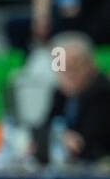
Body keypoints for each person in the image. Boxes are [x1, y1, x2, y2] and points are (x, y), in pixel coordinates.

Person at [38, 32, 110, 165]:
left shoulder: (103, 93)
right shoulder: (61, 92)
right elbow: (42, 129)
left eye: (74, 67)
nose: (68, 75)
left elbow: (89, 146)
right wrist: (59, 137)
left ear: (91, 65)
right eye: (62, 68)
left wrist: (57, 138)